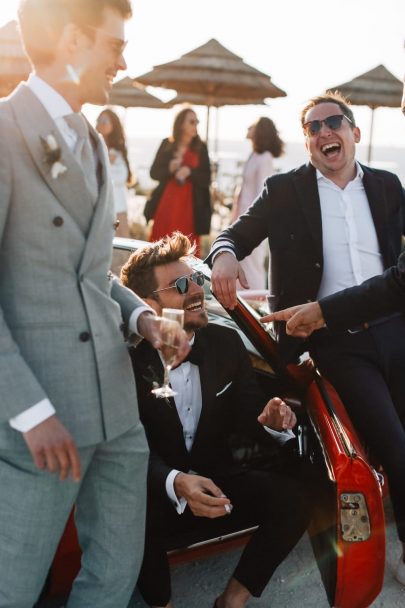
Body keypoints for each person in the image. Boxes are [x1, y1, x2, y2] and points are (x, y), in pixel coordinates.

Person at [0, 1, 190, 606]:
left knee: (112, 576)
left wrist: (142, 315)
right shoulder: (4, 133)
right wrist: (30, 412)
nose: (124, 60)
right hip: (42, 418)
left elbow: (87, 272)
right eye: (114, 45)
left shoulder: (88, 134)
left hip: (117, 411)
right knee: (13, 584)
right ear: (75, 40)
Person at [207, 91, 405, 585]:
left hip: (397, 328)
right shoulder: (285, 190)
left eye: (333, 122)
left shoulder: (388, 186)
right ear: (308, 143)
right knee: (395, 446)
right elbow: (231, 235)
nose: (323, 133)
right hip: (338, 344)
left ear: (354, 133)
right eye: (313, 128)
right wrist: (225, 255)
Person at [120, 232, 311, 608]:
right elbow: (126, 453)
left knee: (295, 501)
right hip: (155, 492)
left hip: (216, 480)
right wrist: (176, 483)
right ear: (146, 305)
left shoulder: (224, 343)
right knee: (127, 510)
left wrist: (271, 420)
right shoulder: (123, 361)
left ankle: (232, 600)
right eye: (179, 285)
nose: (195, 290)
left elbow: (249, 417)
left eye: (195, 278)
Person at [144, 107, 211, 257]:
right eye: (192, 122)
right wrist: (169, 168)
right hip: (166, 205)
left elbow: (207, 178)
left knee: (187, 251)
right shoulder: (167, 144)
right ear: (181, 124)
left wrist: (190, 172)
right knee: (160, 248)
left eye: (197, 122)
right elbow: (153, 173)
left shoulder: (201, 148)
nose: (195, 125)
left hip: (190, 208)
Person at [231, 116, 284, 289]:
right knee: (241, 258)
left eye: (253, 125)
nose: (249, 127)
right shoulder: (253, 154)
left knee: (252, 261)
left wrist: (255, 221)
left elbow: (263, 191)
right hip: (241, 214)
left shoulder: (265, 158)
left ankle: (256, 297)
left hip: (253, 219)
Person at [96, 108, 134, 237]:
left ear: (113, 124)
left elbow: (120, 177)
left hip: (118, 205)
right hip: (99, 205)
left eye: (105, 120)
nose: (101, 123)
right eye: (99, 120)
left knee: (122, 241)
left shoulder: (117, 151)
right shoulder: (93, 147)